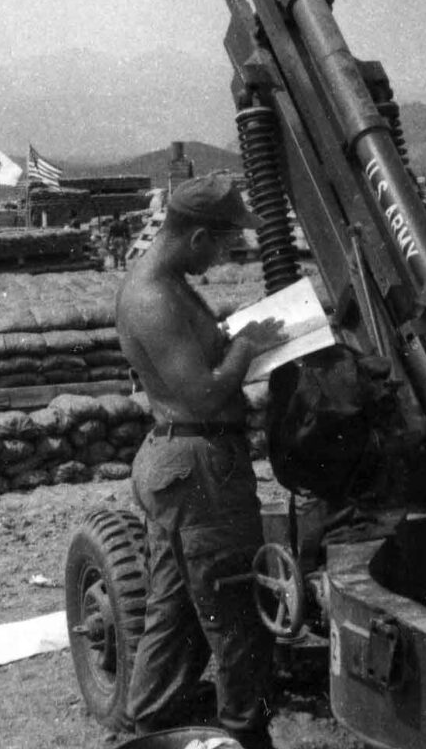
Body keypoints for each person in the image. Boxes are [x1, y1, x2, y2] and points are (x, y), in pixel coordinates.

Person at [116, 174, 286, 747]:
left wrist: (233, 336)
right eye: (222, 243)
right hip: (199, 470)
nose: (223, 255)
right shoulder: (153, 297)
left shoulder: (168, 284)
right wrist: (247, 347)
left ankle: (151, 723)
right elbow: (204, 393)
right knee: (237, 613)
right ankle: (244, 734)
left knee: (175, 608)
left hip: (183, 463)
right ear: (194, 238)